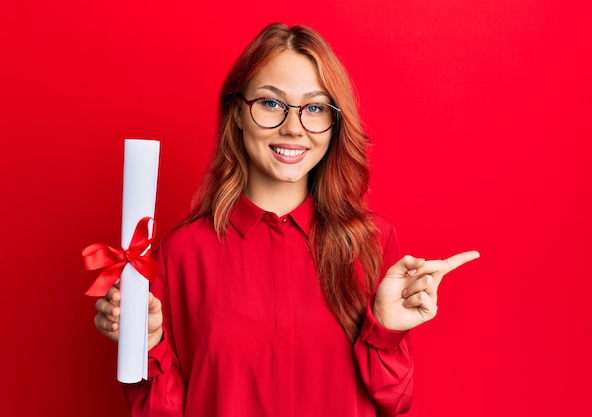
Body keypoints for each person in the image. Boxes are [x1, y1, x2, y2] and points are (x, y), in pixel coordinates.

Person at [94, 23, 479, 417]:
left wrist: (385, 331)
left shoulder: (372, 244)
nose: (293, 127)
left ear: (334, 124)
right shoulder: (181, 253)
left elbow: (395, 402)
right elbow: (161, 410)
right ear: (237, 114)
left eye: (314, 108)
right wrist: (146, 343)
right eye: (271, 103)